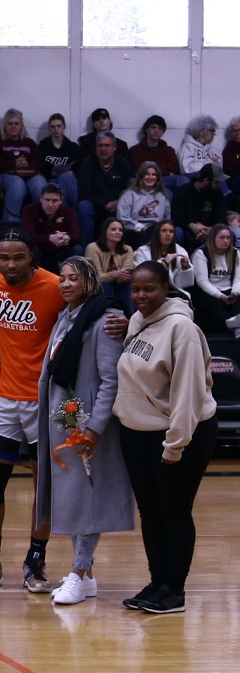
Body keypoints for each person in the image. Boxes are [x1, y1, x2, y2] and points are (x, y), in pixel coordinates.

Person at [112, 260, 216, 614]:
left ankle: (175, 590)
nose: (141, 296)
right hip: (137, 433)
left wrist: (175, 445)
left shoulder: (182, 329)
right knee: (150, 513)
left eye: (149, 289)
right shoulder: (137, 321)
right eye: (135, 289)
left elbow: (189, 393)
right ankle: (157, 583)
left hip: (178, 434)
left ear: (165, 289)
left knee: (174, 512)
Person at [32, 256, 130, 607]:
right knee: (74, 499)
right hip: (64, 419)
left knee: (89, 499)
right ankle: (85, 576)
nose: (66, 284)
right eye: (62, 278)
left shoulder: (105, 320)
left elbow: (110, 381)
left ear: (90, 280)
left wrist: (95, 428)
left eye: (74, 278)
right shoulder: (66, 317)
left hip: (88, 425)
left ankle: (77, 571)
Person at [0, 231, 62, 592]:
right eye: (4, 257)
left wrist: (118, 319)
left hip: (44, 401)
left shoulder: (54, 286)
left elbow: (93, 305)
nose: (10, 264)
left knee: (43, 489)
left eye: (18, 257)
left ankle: (35, 561)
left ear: (32, 256)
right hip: (5, 400)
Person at [75, 130, 134, 244]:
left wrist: (119, 201)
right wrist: (105, 203)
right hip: (96, 206)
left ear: (114, 147)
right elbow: (84, 192)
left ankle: (123, 247)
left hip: (118, 206)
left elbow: (132, 188)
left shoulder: (123, 163)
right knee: (84, 206)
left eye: (107, 145)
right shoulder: (87, 164)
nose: (103, 149)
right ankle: (85, 247)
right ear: (96, 148)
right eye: (100, 145)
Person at [0, 109, 45, 222]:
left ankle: (40, 221)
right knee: (17, 183)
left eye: (16, 124)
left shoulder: (29, 142)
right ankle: (11, 224)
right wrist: (14, 164)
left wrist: (26, 165)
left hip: (27, 175)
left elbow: (40, 162)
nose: (13, 126)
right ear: (5, 126)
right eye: (10, 124)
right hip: (2, 178)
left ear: (21, 126)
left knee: (40, 182)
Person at [189, 223, 240, 334]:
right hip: (208, 291)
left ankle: (236, 327)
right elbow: (202, 281)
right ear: (213, 239)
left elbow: (238, 279)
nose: (226, 241)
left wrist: (235, 292)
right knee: (214, 302)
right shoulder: (201, 253)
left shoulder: (235, 253)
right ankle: (230, 324)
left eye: (228, 238)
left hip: (229, 289)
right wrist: (219, 295)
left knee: (238, 299)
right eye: (222, 238)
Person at [20, 184, 81, 270]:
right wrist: (50, 238)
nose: (50, 204)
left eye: (54, 200)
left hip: (60, 252)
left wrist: (67, 238)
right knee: (33, 249)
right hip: (40, 251)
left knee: (77, 249)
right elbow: (27, 237)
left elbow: (77, 237)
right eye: (47, 200)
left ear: (61, 201)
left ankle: (70, 276)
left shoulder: (68, 212)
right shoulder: (30, 210)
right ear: (41, 199)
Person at [87, 217, 139, 308]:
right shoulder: (92, 248)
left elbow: (125, 275)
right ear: (105, 232)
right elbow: (96, 277)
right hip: (99, 286)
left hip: (120, 286)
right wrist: (115, 274)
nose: (118, 232)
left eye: (120, 230)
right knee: (106, 285)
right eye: (113, 229)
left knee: (129, 281)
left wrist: (119, 276)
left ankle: (128, 314)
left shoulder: (128, 249)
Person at [38, 112, 85, 206]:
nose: (56, 129)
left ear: (64, 127)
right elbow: (39, 169)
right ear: (49, 128)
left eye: (59, 126)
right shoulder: (42, 147)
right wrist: (52, 173)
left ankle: (68, 212)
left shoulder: (73, 147)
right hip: (50, 180)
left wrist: (73, 173)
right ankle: (65, 212)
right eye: (53, 127)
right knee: (63, 178)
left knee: (66, 178)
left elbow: (81, 167)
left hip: (69, 181)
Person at [117, 163, 170, 245]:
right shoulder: (129, 194)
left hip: (157, 230)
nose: (150, 177)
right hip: (134, 230)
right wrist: (142, 227)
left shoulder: (162, 196)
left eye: (153, 175)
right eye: (147, 174)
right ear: (141, 176)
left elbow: (167, 218)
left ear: (157, 178)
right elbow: (123, 218)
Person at [172, 164, 224, 248]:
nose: (219, 185)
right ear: (206, 180)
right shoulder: (182, 192)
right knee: (178, 232)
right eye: (216, 182)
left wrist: (212, 228)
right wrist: (192, 225)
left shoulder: (217, 193)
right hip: (187, 229)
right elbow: (176, 218)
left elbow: (221, 216)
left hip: (211, 230)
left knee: (229, 233)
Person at [140, 220, 196, 292]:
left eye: (171, 231)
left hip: (173, 292)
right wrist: (164, 263)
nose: (168, 234)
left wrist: (185, 268)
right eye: (164, 231)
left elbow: (183, 284)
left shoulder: (180, 250)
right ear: (157, 233)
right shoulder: (143, 251)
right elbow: (141, 278)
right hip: (149, 291)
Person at [130, 115, 182, 190]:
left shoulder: (169, 150)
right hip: (147, 181)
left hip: (166, 180)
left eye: (160, 128)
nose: (157, 131)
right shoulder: (135, 150)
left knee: (182, 180)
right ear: (146, 129)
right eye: (153, 127)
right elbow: (140, 169)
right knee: (168, 193)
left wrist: (153, 168)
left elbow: (173, 168)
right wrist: (166, 172)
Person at [181, 114, 223, 186]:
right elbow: (186, 169)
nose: (214, 134)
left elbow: (220, 170)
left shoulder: (216, 151)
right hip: (195, 179)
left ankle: (228, 193)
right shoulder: (187, 147)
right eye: (212, 131)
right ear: (201, 132)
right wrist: (208, 164)